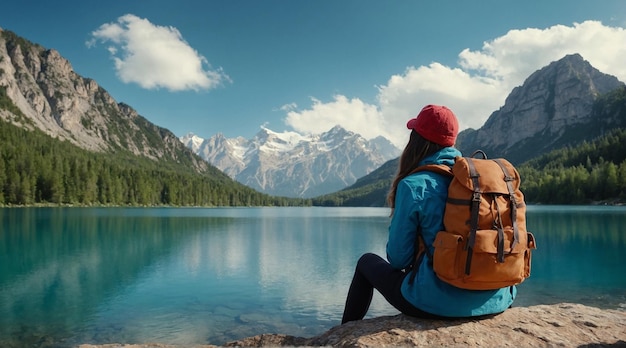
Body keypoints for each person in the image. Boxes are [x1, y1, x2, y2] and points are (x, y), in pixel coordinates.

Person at [341, 104, 516, 324]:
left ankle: (341, 335)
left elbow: (397, 259)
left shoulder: (414, 185)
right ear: (452, 141)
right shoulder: (481, 182)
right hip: (497, 299)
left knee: (366, 261)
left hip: (433, 304)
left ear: (416, 141)